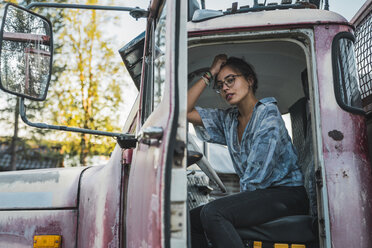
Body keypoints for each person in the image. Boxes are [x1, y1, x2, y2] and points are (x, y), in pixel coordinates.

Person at [187, 55, 309, 248]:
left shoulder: (268, 115)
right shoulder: (229, 120)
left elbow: (257, 175)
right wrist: (210, 73)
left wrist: (232, 206)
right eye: (220, 85)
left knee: (213, 213)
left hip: (287, 195)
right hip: (261, 194)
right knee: (192, 220)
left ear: (249, 80)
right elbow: (181, 110)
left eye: (230, 80)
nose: (225, 88)